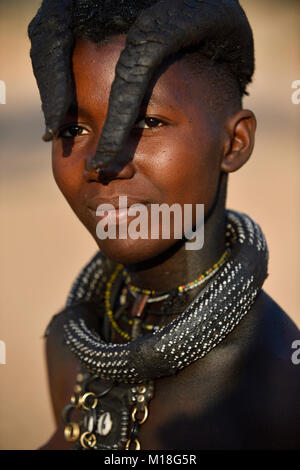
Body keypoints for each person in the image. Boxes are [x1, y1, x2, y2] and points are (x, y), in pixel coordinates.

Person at [28, 0, 300, 450]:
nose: (102, 163)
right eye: (72, 130)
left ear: (234, 142)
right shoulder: (69, 343)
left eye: (147, 122)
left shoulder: (276, 387)